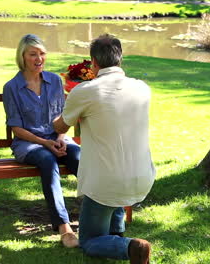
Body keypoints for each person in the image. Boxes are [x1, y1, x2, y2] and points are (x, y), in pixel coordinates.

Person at [53, 34, 155, 263]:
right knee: (113, 187)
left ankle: (130, 247)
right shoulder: (142, 88)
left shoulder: (86, 91)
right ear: (120, 59)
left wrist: (57, 115)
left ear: (94, 63)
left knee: (88, 240)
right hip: (141, 175)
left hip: (106, 182)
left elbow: (61, 125)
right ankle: (116, 235)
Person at [2, 34, 80, 248]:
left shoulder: (54, 81)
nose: (39, 59)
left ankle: (102, 213)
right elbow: (16, 128)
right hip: (29, 144)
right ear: (23, 57)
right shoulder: (12, 87)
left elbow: (64, 116)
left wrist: (61, 138)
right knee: (47, 160)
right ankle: (64, 227)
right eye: (33, 54)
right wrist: (46, 143)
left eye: (42, 54)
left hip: (57, 138)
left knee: (79, 157)